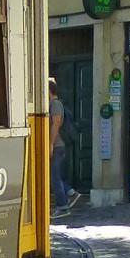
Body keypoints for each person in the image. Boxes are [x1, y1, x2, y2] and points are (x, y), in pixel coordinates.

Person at [48, 77, 80, 210]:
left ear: (48, 91)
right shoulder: (53, 104)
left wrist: (50, 144)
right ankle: (70, 193)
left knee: (55, 176)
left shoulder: (55, 104)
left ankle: (63, 204)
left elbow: (56, 124)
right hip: (57, 146)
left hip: (58, 146)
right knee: (55, 175)